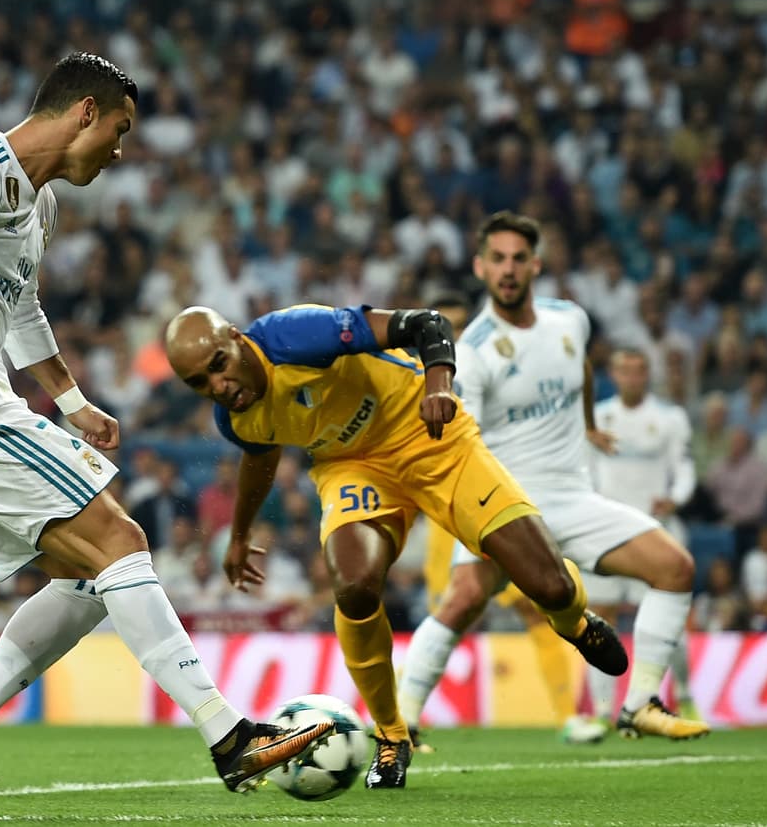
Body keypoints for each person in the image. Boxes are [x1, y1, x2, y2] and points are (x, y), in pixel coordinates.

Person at [0, 52, 331, 815]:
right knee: (123, 541)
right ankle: (230, 736)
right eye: (119, 130)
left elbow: (22, 312)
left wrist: (70, 399)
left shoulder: (38, 207)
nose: (119, 149)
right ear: (83, 112)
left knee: (91, 577)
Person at [165, 303, 627, 790]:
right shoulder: (233, 419)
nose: (217, 385)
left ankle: (572, 620)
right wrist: (239, 536)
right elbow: (261, 456)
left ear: (237, 339)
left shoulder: (297, 336)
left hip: (430, 437)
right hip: (353, 468)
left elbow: (429, 324)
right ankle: (391, 735)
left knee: (550, 585)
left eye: (218, 364)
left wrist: (438, 385)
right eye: (199, 382)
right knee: (355, 589)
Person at [395, 211, 709, 745]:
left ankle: (640, 704)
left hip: (573, 499)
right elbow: (450, 437)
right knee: (461, 601)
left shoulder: (571, 321)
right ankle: (396, 726)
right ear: (480, 267)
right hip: (506, 509)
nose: (509, 269)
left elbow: (580, 367)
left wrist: (586, 422)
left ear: (536, 264)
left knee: (675, 569)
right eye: (497, 259)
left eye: (519, 258)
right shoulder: (473, 353)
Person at [415, 292, 580, 751]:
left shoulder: (501, 370)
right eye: (443, 328)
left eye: (460, 325)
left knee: (537, 606)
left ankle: (571, 716)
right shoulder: (421, 387)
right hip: (448, 520)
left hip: (502, 506)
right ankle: (405, 723)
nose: (454, 336)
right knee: (448, 615)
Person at [571, 348, 702, 742]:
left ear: (648, 374)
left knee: (670, 616)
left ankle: (683, 694)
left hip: (656, 528)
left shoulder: (669, 418)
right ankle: (602, 713)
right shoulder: (598, 417)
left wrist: (675, 497)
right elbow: (585, 471)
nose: (632, 377)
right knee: (599, 619)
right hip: (606, 531)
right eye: (625, 371)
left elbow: (685, 468)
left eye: (639, 370)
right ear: (613, 374)